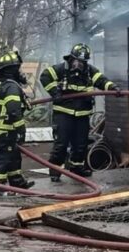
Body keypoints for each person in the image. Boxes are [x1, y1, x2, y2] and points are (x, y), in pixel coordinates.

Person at [40, 43, 119, 181]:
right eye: (76, 60)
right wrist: (55, 91)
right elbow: (45, 76)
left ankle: (77, 168)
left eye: (82, 62)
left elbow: (102, 81)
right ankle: (55, 171)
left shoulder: (89, 71)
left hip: (82, 115)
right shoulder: (61, 69)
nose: (78, 64)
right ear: (71, 59)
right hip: (63, 114)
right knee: (61, 144)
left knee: (81, 144)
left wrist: (113, 87)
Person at [0, 51, 34, 188]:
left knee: (14, 155)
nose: (20, 71)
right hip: (6, 129)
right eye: (18, 68)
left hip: (0, 128)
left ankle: (17, 182)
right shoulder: (11, 86)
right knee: (4, 158)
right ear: (13, 70)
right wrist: (21, 129)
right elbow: (13, 110)